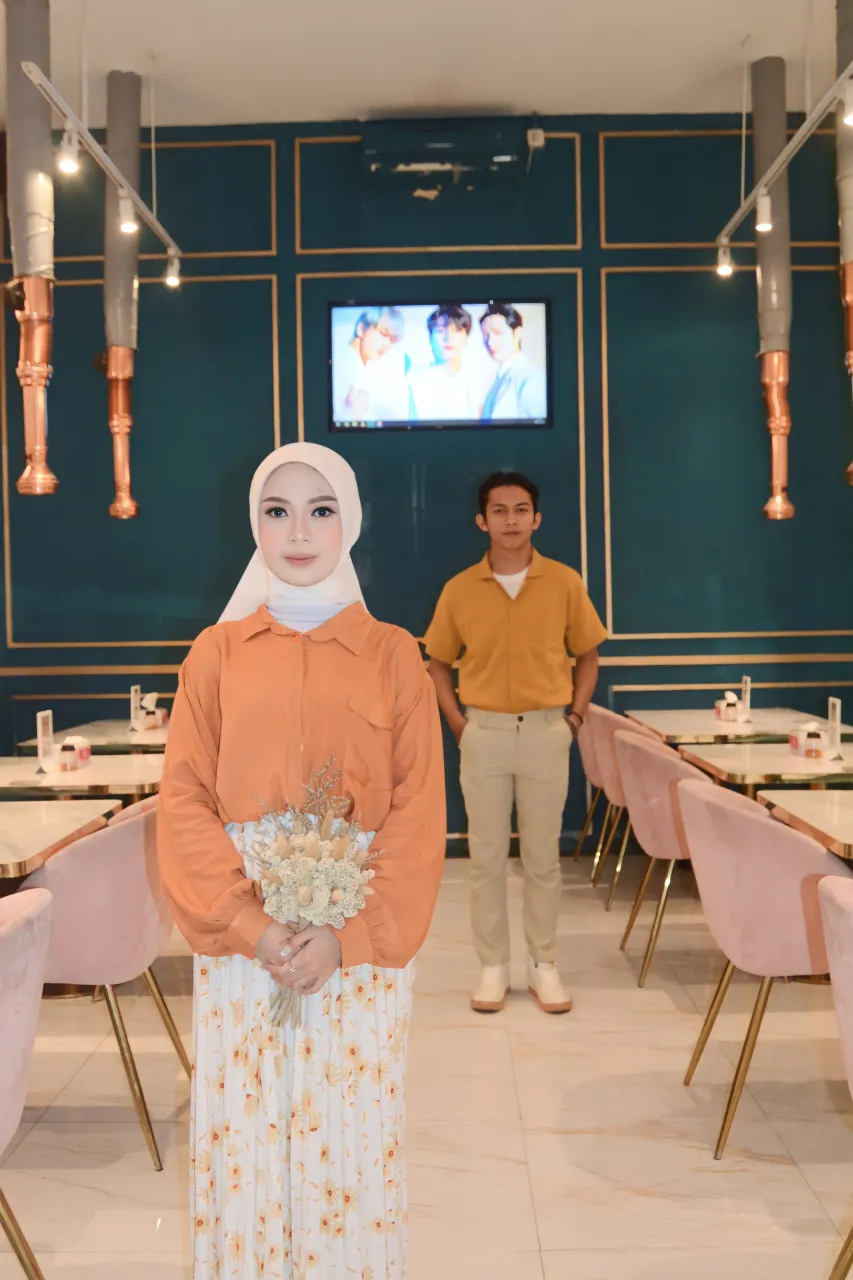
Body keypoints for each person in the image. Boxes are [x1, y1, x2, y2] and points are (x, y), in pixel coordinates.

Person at [158, 441, 446, 1279]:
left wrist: (349, 937)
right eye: (276, 511)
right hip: (243, 937)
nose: (297, 532)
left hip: (355, 930)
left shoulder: (392, 653)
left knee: (346, 1129)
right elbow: (184, 798)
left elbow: (418, 810)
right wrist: (246, 922)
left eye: (320, 511)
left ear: (348, 522)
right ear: (253, 524)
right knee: (246, 1128)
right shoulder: (215, 652)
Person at [423, 470, 606, 1015]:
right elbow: (437, 663)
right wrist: (460, 725)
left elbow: (588, 656)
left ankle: (544, 965)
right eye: (499, 511)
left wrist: (573, 720)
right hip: (484, 735)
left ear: (536, 519)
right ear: (482, 521)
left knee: (543, 859)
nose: (510, 520)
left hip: (547, 733)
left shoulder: (564, 583)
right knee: (485, 858)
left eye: (521, 510)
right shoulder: (459, 589)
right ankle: (493, 967)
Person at [332, 306, 408, 424]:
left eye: (391, 340)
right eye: (383, 334)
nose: (386, 345)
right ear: (361, 329)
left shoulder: (362, 369)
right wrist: (356, 413)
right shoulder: (341, 366)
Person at [408, 304, 484, 421]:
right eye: (441, 331)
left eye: (456, 330)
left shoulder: (474, 382)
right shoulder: (417, 383)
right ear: (430, 338)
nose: (448, 338)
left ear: (466, 338)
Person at [479, 303, 548, 422]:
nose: (490, 341)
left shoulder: (531, 378)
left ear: (517, 333)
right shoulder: (499, 379)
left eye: (497, 333)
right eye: (485, 335)